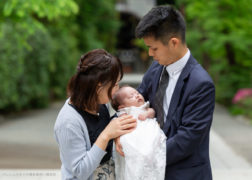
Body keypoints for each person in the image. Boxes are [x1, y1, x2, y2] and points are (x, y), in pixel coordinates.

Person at [115, 5, 215, 180]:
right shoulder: (156, 68)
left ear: (174, 43)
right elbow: (133, 103)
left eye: (154, 48)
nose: (149, 53)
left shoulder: (201, 84)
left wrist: (141, 155)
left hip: (184, 174)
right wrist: (118, 135)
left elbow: (187, 139)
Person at [54, 49, 137, 180]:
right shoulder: (68, 122)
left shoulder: (101, 103)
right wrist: (106, 135)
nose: (117, 89)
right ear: (99, 86)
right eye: (115, 84)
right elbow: (79, 171)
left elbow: (112, 127)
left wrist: (116, 136)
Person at [111, 85, 166, 180]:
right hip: (133, 139)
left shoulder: (146, 107)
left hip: (148, 136)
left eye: (137, 93)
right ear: (122, 107)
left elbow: (153, 111)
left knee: (152, 164)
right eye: (131, 96)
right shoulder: (124, 112)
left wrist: (148, 113)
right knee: (133, 164)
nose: (137, 96)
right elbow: (117, 123)